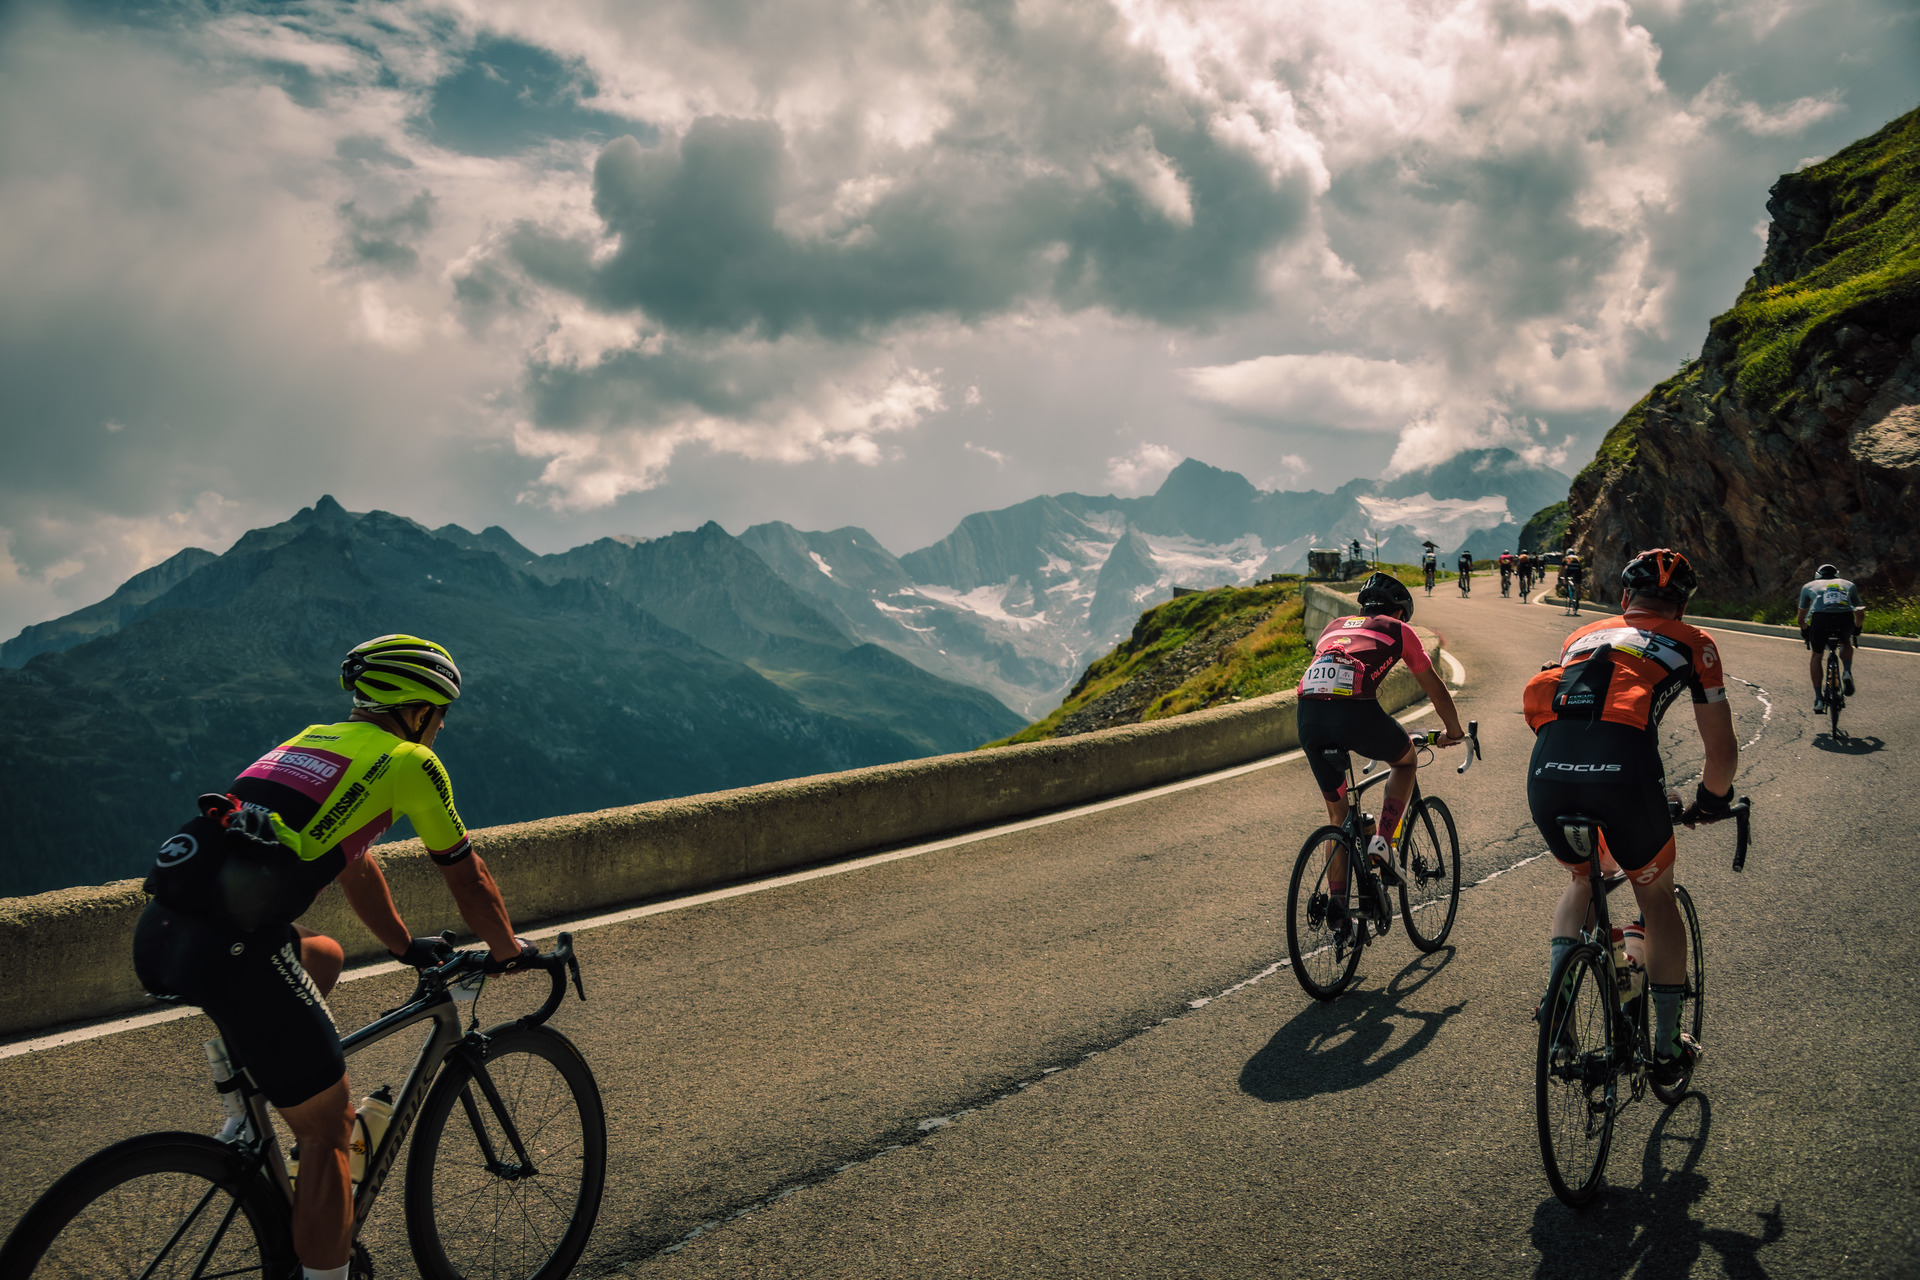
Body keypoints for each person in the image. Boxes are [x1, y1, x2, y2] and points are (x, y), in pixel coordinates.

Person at [134, 635, 538, 1280]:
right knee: (330, 1131)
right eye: (441, 716)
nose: (441, 730)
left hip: (161, 931)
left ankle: (253, 1102)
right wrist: (508, 949)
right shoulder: (410, 761)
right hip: (236, 953)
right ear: (420, 712)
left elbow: (354, 860)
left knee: (321, 953)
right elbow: (468, 877)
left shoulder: (309, 741)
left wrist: (404, 945)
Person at [1522, 549, 1737, 1088]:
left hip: (1549, 773)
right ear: (1683, 605)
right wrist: (1710, 803)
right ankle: (1666, 1051)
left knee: (1583, 877)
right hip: (1624, 776)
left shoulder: (1582, 635)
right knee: (1657, 898)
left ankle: (1558, 1004)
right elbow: (1722, 752)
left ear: (1623, 599)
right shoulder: (1695, 643)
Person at [1296, 573, 1466, 934]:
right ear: (1400, 611)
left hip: (1308, 717)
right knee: (1406, 760)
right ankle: (1382, 844)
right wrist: (1453, 730)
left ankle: (1340, 916)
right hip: (1355, 714)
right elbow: (1433, 686)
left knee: (1338, 816)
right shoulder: (1398, 629)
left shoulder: (1334, 626)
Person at [1796, 562, 1865, 711]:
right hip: (1844, 619)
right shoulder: (1848, 585)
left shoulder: (1809, 586)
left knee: (1816, 656)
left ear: (1817, 576)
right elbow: (1860, 613)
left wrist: (1805, 631)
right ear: (1837, 575)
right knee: (1846, 642)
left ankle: (1819, 699)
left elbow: (1801, 620)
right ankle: (1846, 672)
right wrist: (1857, 629)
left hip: (1820, 620)